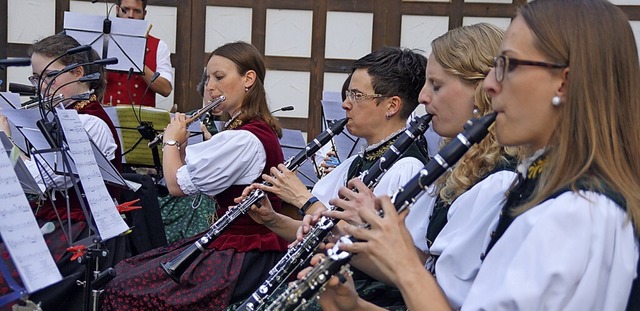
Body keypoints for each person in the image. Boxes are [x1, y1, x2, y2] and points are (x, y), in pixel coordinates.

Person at [318, 0, 640, 310]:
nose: (489, 85)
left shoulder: (575, 213)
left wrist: (406, 265)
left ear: (564, 83)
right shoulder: (545, 185)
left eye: (507, 65)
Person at [305, 23, 521, 309]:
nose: (422, 98)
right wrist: (347, 237)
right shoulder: (459, 168)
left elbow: (438, 293)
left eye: (437, 85)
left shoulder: (498, 182)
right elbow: (424, 272)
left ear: (482, 89)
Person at [232, 46, 429, 309]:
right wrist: (273, 220)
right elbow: (322, 233)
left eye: (356, 95)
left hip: (367, 299)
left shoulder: (409, 168)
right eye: (348, 94)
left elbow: (401, 267)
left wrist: (304, 199)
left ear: (392, 106)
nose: (346, 104)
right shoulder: (359, 160)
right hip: (337, 286)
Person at [100, 41, 288, 310]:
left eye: (219, 77)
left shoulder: (244, 138)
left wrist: (170, 142)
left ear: (248, 79)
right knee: (125, 272)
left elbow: (176, 185)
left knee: (124, 289)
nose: (210, 87)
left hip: (243, 255)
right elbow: (213, 186)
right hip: (234, 245)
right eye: (208, 78)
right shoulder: (242, 131)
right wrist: (183, 148)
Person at [0, 33, 125, 311]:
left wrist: (6, 142)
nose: (41, 88)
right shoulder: (59, 117)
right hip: (56, 222)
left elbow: (36, 181)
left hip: (81, 232)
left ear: (78, 73)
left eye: (49, 78)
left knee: (13, 284)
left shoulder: (90, 123)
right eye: (36, 79)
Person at [104, 0, 173, 107]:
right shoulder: (103, 41)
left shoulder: (159, 46)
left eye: (136, 11)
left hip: (141, 120)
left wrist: (138, 62)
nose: (131, 15)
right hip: (106, 118)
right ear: (117, 10)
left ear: (144, 14)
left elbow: (166, 89)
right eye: (125, 10)